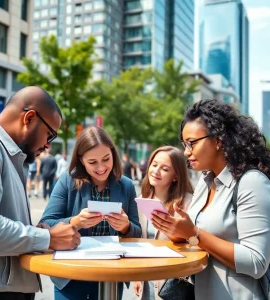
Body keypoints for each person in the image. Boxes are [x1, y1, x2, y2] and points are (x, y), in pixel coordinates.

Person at [151, 99, 270, 300]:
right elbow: (196, 239)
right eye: (184, 144)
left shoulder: (251, 182)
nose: (186, 152)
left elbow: (256, 262)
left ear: (218, 140)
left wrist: (194, 233)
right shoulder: (206, 182)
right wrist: (177, 230)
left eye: (192, 143)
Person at [0, 86, 81, 300]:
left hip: (2, 288)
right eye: (50, 135)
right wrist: (47, 238)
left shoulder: (7, 153)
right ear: (29, 118)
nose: (48, 145)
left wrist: (32, 231)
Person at [39, 126, 142, 300]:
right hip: (71, 273)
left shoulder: (126, 185)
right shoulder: (67, 181)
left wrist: (125, 227)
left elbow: (137, 232)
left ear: (113, 155)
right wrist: (76, 222)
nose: (101, 168)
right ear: (81, 161)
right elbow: (45, 223)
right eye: (92, 162)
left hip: (111, 274)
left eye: (106, 159)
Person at [134, 146, 193, 299]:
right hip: (146, 282)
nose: (156, 171)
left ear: (176, 176)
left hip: (172, 283)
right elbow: (142, 241)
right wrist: (138, 276)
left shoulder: (187, 203)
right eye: (154, 165)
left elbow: (194, 242)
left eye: (165, 169)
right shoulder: (143, 198)